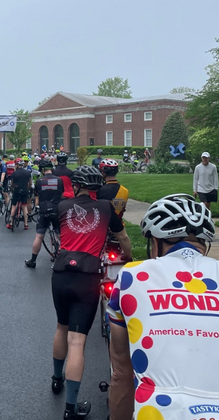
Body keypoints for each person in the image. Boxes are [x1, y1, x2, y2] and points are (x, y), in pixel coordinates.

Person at [107, 194, 219, 420]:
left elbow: (122, 375)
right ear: (204, 243)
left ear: (155, 242)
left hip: (162, 411)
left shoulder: (131, 277)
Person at [50, 165, 132, 419]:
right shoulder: (107, 209)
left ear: (76, 186)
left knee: (61, 327)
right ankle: (71, 408)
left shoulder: (63, 207)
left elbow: (56, 231)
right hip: (87, 276)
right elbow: (124, 237)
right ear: (98, 188)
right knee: (78, 340)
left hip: (61, 273)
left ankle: (56, 379)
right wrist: (128, 258)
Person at [25, 158, 63, 268]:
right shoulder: (59, 180)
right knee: (59, 235)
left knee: (39, 236)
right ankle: (63, 258)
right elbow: (61, 195)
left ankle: (33, 261)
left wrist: (37, 207)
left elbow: (37, 198)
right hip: (57, 210)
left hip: (44, 210)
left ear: (42, 170)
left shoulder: (39, 182)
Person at [6, 158, 32, 230]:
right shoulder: (27, 173)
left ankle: (11, 223)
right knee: (24, 207)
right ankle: (26, 224)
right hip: (24, 190)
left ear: (17, 165)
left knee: (14, 206)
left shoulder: (14, 173)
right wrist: (28, 188)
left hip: (17, 190)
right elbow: (30, 183)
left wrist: (12, 187)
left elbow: (11, 183)